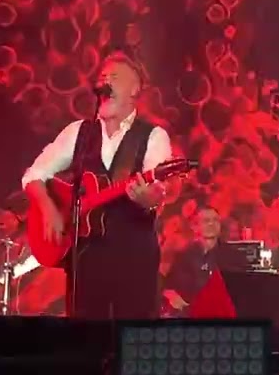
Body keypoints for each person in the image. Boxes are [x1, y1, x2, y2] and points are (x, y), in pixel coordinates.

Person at [21, 53, 171, 319]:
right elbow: (33, 175)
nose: (105, 82)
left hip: (134, 260)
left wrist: (146, 198)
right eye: (102, 78)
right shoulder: (78, 131)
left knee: (132, 335)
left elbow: (157, 191)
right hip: (85, 261)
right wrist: (49, 208)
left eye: (114, 77)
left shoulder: (153, 136)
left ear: (135, 89)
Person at [162, 206, 249, 315]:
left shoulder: (234, 256)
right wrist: (171, 295)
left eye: (215, 220)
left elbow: (243, 290)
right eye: (206, 221)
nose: (211, 224)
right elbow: (168, 286)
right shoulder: (183, 256)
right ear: (194, 226)